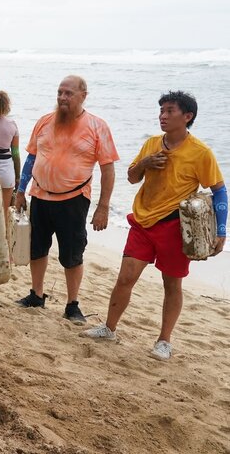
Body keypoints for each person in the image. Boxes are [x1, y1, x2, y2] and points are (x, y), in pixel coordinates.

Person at [82, 92, 225, 360]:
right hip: (142, 223)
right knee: (125, 278)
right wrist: (146, 163)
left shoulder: (200, 153)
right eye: (161, 110)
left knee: (172, 284)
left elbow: (218, 190)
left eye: (170, 111)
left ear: (187, 117)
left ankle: (164, 341)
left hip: (174, 227)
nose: (163, 115)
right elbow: (132, 177)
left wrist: (221, 231)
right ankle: (109, 328)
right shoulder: (151, 144)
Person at [14, 75, 119, 324]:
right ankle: (36, 295)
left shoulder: (97, 126)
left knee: (72, 254)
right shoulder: (44, 122)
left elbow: (107, 169)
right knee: (37, 249)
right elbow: (30, 158)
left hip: (73, 200)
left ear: (83, 95)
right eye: (60, 92)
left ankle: (72, 305)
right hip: (39, 195)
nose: (62, 97)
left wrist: (103, 207)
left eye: (68, 93)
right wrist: (20, 191)